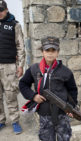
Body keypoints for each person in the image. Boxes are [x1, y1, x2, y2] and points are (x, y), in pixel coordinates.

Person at [19, 37, 78, 141]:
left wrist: (71, 107)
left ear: (58, 52)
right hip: (44, 114)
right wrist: (33, 96)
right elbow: (23, 84)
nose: (50, 53)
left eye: (53, 50)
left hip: (62, 114)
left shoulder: (66, 72)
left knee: (64, 138)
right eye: (47, 50)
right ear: (42, 52)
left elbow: (73, 90)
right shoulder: (34, 69)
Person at [0, 0, 25, 134]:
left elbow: (20, 47)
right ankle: (1, 120)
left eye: (1, 10)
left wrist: (20, 66)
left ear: (6, 9)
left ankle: (15, 121)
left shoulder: (14, 25)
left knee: (10, 95)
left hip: (9, 66)